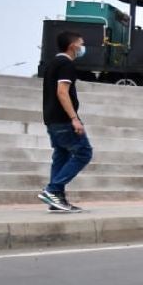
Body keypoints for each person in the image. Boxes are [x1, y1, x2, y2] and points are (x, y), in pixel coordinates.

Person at [37, 30, 93, 212]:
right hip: (63, 120)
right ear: (72, 46)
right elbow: (62, 92)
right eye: (81, 43)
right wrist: (74, 119)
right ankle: (52, 190)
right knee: (84, 152)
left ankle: (56, 200)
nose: (82, 47)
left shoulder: (53, 63)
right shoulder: (66, 64)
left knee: (61, 156)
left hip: (52, 119)